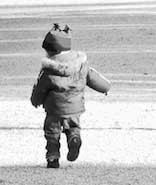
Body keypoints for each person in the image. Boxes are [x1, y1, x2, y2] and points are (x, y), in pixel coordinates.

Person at [30, 24, 110, 168]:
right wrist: (105, 87)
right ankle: (74, 139)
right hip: (74, 109)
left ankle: (53, 157)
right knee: (73, 127)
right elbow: (94, 78)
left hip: (54, 110)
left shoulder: (48, 71)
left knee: (52, 133)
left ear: (51, 51)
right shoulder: (81, 65)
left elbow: (40, 90)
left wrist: (35, 101)